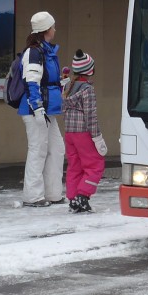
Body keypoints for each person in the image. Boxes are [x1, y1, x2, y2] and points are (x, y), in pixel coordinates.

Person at [18, 11, 65, 207]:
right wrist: (37, 108)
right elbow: (32, 82)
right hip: (36, 110)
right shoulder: (34, 52)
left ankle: (53, 193)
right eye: (53, 26)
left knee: (57, 149)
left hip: (47, 111)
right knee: (38, 150)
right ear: (46, 29)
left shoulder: (47, 51)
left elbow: (46, 80)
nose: (55, 29)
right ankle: (33, 196)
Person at [61, 49, 107, 213]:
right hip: (84, 133)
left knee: (75, 166)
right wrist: (97, 138)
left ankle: (73, 199)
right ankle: (83, 195)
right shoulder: (87, 89)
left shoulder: (68, 88)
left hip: (69, 133)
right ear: (89, 70)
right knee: (95, 165)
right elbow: (91, 115)